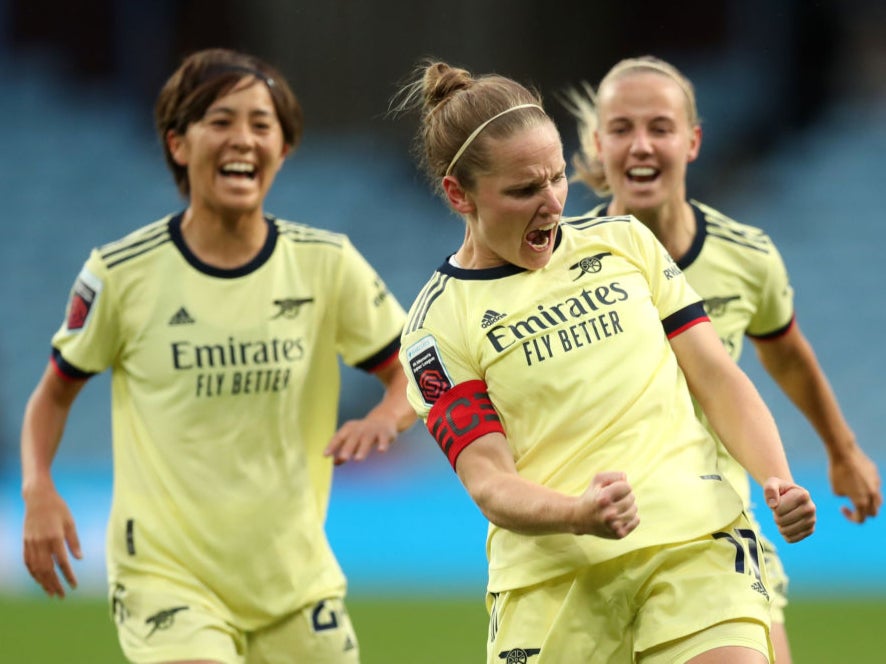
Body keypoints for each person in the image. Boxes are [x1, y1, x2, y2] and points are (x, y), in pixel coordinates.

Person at [391, 58, 816, 664]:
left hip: (694, 542)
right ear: (460, 195)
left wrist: (777, 478)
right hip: (554, 581)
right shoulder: (434, 329)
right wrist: (577, 514)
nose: (551, 204)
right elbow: (488, 482)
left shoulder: (625, 243)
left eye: (558, 178)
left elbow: (718, 378)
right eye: (522, 190)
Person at [21, 48, 416, 664]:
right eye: (222, 120)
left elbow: (410, 375)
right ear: (178, 144)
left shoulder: (326, 263)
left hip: (293, 581)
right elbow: (53, 393)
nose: (244, 139)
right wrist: (38, 487)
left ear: (283, 150)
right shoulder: (120, 274)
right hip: (167, 578)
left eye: (263, 125)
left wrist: (385, 418)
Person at [562, 54, 883, 664]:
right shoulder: (560, 264)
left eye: (659, 126)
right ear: (598, 144)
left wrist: (841, 450)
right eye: (622, 129)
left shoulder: (747, 256)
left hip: (713, 528)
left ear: (693, 139)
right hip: (603, 534)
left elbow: (787, 354)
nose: (641, 145)